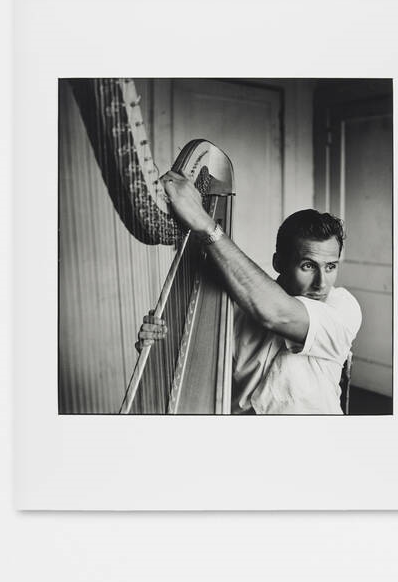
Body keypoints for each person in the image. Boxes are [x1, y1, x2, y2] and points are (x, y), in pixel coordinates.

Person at [151, 171, 361, 415]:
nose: (321, 283)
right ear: (278, 263)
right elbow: (187, 368)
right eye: (308, 266)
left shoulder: (343, 307)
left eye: (331, 267)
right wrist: (158, 341)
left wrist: (204, 223)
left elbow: (276, 314)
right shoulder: (229, 308)